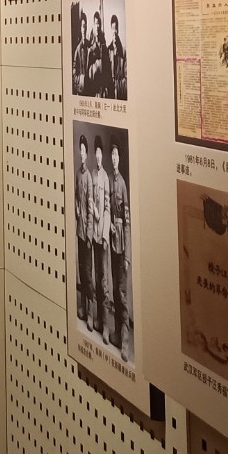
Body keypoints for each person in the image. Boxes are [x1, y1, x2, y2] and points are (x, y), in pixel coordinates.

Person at [106, 141, 130, 357]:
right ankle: (116, 333)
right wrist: (110, 226)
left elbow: (127, 221)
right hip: (113, 240)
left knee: (121, 292)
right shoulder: (110, 180)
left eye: (116, 155)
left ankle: (125, 340)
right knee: (115, 288)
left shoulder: (122, 183)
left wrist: (128, 255)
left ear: (120, 158)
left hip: (122, 244)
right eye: (112, 155)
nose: (114, 158)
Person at [90, 135, 110, 339]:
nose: (97, 156)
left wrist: (104, 235)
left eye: (99, 152)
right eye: (95, 152)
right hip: (93, 235)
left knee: (104, 281)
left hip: (102, 235)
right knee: (97, 277)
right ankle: (97, 318)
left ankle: (105, 325)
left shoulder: (104, 178)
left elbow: (107, 208)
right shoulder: (92, 176)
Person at [75, 135, 93, 326]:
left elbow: (90, 207)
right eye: (79, 150)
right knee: (81, 269)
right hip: (79, 229)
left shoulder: (88, 176)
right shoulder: (78, 174)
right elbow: (76, 197)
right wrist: (76, 209)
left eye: (83, 150)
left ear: (87, 153)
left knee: (88, 273)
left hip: (86, 232)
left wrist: (89, 234)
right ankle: (82, 306)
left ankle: (90, 311)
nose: (81, 153)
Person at [108, 14, 127, 102]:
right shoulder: (108, 51)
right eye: (113, 28)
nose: (114, 31)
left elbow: (127, 78)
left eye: (116, 28)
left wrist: (118, 87)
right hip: (110, 95)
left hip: (121, 96)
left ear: (118, 30)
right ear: (110, 30)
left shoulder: (123, 52)